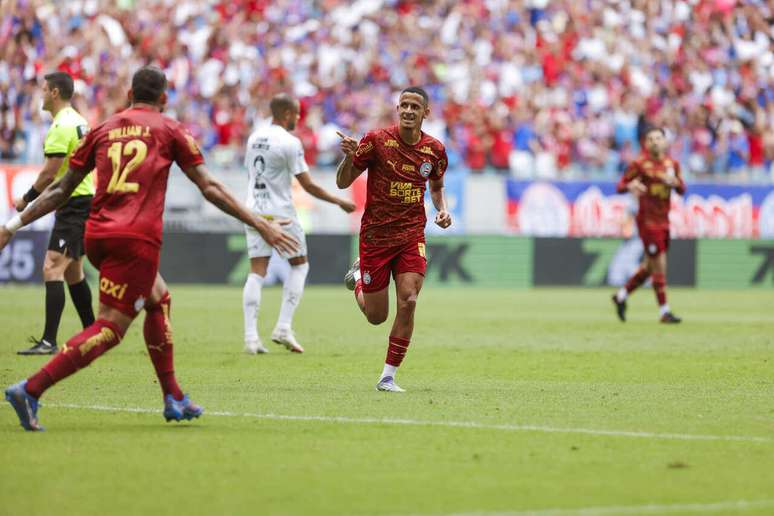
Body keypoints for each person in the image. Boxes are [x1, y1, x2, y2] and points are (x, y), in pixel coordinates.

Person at [1, 66, 297, 431]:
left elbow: (61, 189)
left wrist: (12, 225)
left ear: (129, 95)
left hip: (97, 235)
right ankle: (30, 389)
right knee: (110, 327)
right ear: (164, 98)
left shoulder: (104, 128)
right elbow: (210, 188)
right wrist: (260, 223)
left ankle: (173, 396)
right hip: (135, 238)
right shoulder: (170, 129)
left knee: (158, 298)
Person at [335, 87, 452, 392]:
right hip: (376, 236)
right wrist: (348, 158)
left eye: (415, 106)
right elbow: (342, 181)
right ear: (397, 109)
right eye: (404, 105)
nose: (408, 111)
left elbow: (437, 187)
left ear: (425, 113)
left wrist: (443, 210)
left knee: (409, 300)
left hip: (412, 234)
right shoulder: (376, 141)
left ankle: (387, 377)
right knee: (377, 316)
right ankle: (359, 277)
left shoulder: (435, 150)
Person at [242, 93, 355, 354]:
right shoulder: (289, 142)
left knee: (256, 272)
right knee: (300, 266)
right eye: (296, 114)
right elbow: (308, 185)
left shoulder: (254, 137)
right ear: (286, 114)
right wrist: (338, 201)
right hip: (281, 213)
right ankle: (283, 326)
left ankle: (250, 338)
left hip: (254, 212)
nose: (298, 119)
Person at [15, 72, 96, 355]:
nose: (40, 94)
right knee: (73, 271)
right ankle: (93, 333)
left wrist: (26, 199)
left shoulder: (61, 126)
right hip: (82, 199)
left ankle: (49, 341)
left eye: (43, 90)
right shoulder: (79, 121)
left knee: (52, 267)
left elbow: (49, 173)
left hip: (73, 203)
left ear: (54, 93)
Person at [612, 127, 685, 323]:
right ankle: (664, 312)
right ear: (646, 143)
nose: (654, 142)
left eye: (658, 138)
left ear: (665, 142)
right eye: (650, 139)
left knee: (649, 267)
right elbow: (619, 186)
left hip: (664, 221)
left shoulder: (673, 164)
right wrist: (630, 186)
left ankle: (621, 296)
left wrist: (675, 182)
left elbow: (682, 189)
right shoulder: (639, 164)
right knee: (660, 265)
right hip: (647, 222)